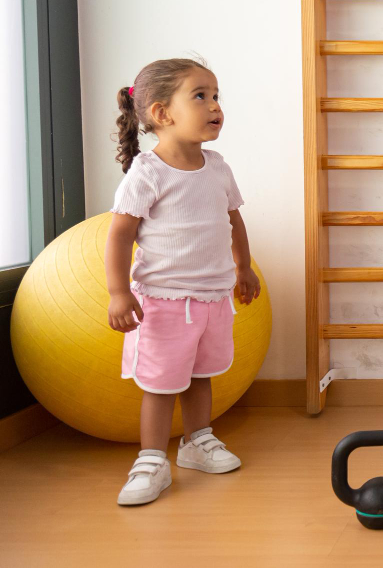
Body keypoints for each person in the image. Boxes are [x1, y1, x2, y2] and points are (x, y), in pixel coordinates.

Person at [105, 58, 260, 505]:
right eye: (200, 96)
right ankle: (152, 460)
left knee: (200, 375)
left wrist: (243, 268)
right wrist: (118, 293)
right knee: (160, 384)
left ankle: (196, 442)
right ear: (161, 113)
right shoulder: (147, 173)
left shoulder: (217, 167)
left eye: (216, 96)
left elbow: (234, 221)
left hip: (212, 298)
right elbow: (118, 236)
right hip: (163, 300)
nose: (214, 105)